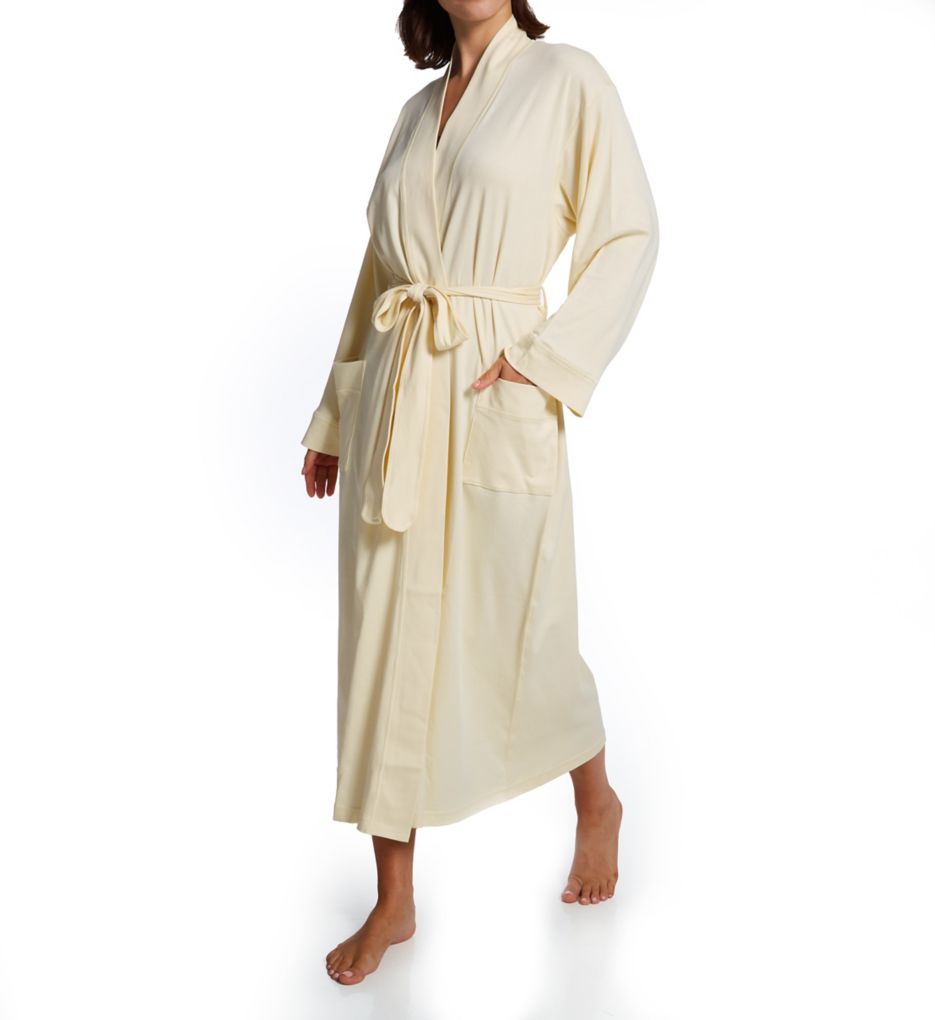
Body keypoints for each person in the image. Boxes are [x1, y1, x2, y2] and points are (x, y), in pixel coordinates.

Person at [300, 0, 658, 986]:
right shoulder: (415, 114)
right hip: (395, 401)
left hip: (493, 383)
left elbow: (628, 233)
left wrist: (544, 360)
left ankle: (595, 798)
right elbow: (379, 275)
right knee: (379, 641)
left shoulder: (565, 78)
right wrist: (333, 418)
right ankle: (394, 895)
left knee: (522, 618)